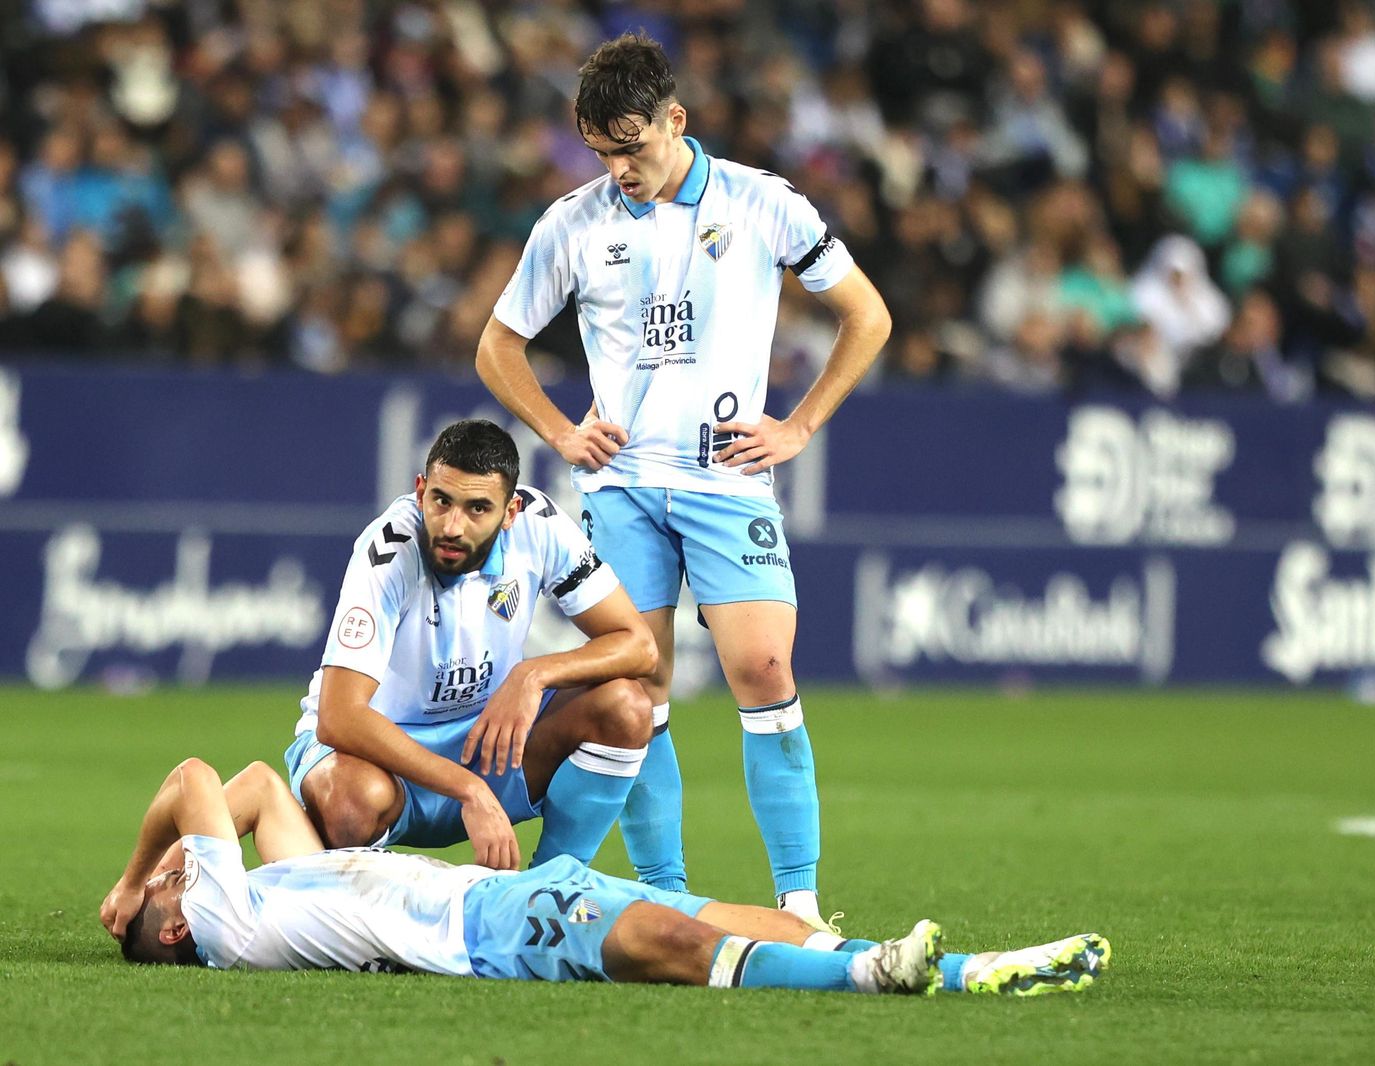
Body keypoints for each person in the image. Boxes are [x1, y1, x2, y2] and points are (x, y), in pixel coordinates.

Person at [475, 32, 894, 928]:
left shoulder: (761, 202)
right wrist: (560, 431)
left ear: (676, 119)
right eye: (601, 153)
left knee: (765, 667)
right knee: (640, 690)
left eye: (630, 147)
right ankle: (665, 893)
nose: (618, 170)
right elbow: (497, 347)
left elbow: (868, 315)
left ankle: (801, 904)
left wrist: (798, 425)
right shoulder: (572, 224)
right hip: (621, 487)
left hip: (726, 480)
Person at [101, 757, 1112, 997]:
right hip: (486, 934)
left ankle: (962, 969)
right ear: (180, 927)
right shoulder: (227, 924)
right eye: (172, 891)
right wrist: (133, 877)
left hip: (505, 897)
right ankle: (873, 975)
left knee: (726, 914)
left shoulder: (276, 892)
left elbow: (253, 783)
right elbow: (193, 780)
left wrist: (164, 873)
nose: (187, 867)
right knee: (676, 945)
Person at [284, 417, 657, 871]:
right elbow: (339, 718)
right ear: (420, 491)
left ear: (511, 512)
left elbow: (639, 646)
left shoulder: (539, 525)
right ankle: (365, 910)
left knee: (626, 706)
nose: (452, 527)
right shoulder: (388, 551)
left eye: (478, 508)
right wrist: (467, 788)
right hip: (379, 755)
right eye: (441, 501)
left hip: (488, 740)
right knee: (349, 801)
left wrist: (532, 675)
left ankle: (551, 885)